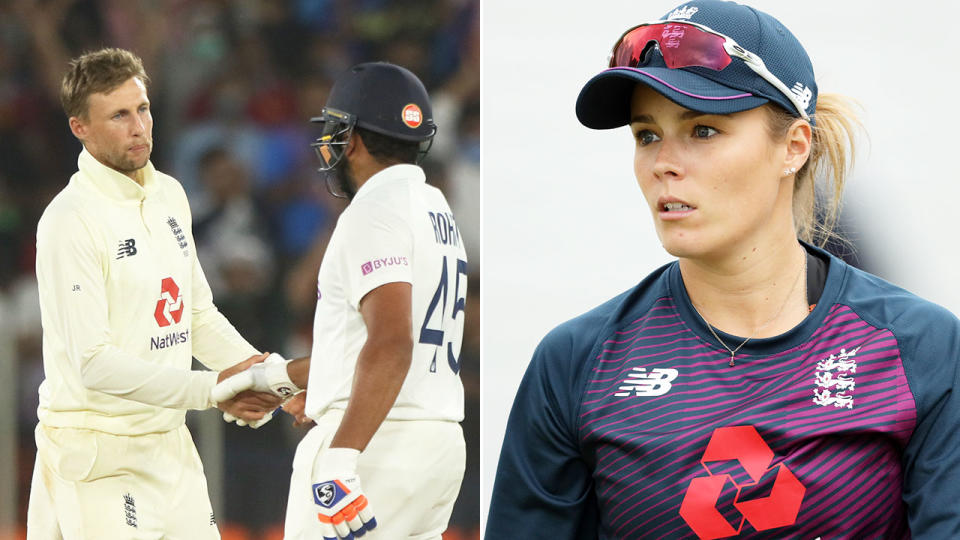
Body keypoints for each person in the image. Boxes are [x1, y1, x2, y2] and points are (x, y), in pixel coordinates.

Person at [486, 1, 960, 538]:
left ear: (794, 147)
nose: (664, 162)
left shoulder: (922, 347)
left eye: (704, 130)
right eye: (646, 135)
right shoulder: (576, 362)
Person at [27, 47, 282, 540]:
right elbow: (93, 364)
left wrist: (261, 375)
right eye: (119, 115)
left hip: (170, 445)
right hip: (99, 456)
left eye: (142, 108)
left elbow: (197, 315)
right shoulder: (69, 219)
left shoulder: (169, 193)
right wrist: (211, 391)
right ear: (80, 127)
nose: (139, 126)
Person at [214, 61, 468, 539]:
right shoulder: (436, 208)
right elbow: (383, 344)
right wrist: (278, 378)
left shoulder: (373, 210)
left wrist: (341, 456)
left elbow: (392, 343)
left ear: (351, 139)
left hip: (375, 445)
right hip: (435, 444)